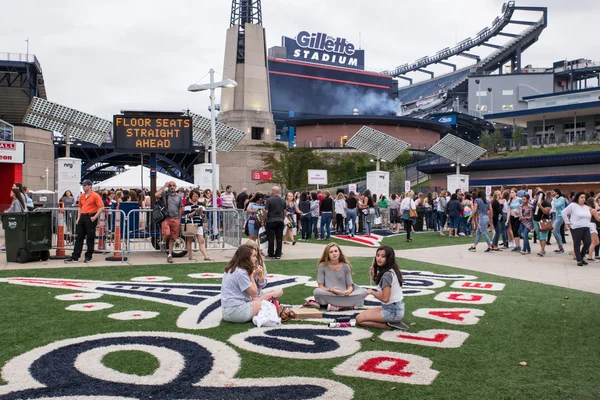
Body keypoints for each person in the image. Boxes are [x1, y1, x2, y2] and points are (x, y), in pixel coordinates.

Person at [220, 244, 283, 324]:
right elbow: (254, 293)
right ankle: (275, 307)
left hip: (227, 310)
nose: (255, 259)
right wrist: (251, 275)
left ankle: (273, 304)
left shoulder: (232, 268)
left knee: (271, 296)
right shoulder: (241, 272)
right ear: (246, 257)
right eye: (253, 256)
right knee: (266, 305)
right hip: (236, 312)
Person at [356, 246, 408, 330]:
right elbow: (384, 287)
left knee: (359, 319)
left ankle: (389, 325)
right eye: (378, 255)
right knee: (363, 314)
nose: (379, 258)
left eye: (383, 256)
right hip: (393, 308)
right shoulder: (392, 270)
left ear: (388, 258)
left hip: (393, 310)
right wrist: (374, 277)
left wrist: (372, 292)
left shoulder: (386, 275)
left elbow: (385, 298)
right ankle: (392, 321)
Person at [313, 243, 367, 310]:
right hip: (330, 293)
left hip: (345, 295)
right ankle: (346, 305)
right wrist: (331, 290)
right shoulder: (322, 267)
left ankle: (336, 306)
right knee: (317, 292)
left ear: (339, 253)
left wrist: (348, 291)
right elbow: (320, 286)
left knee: (363, 292)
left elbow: (350, 285)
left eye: (336, 251)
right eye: (331, 252)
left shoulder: (346, 266)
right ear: (327, 255)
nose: (334, 253)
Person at [64, 180, 105, 264]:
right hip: (83, 216)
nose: (83, 186)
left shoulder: (95, 195)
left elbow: (101, 207)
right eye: (83, 185)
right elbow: (80, 207)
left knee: (90, 237)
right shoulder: (82, 196)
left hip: (90, 216)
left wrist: (94, 217)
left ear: (90, 186)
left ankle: (88, 256)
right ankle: (75, 257)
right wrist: (78, 218)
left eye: (85, 185)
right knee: (79, 237)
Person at [155, 181, 183, 264]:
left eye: (173, 185)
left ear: (176, 186)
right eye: (170, 185)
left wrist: (179, 219)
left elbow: (180, 208)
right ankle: (163, 242)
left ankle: (170, 255)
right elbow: (156, 195)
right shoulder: (165, 195)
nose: (172, 187)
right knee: (166, 233)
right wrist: (164, 186)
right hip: (166, 218)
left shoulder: (179, 197)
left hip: (175, 219)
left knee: (172, 238)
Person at [562, 192, 592, 266]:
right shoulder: (573, 205)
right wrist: (567, 222)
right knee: (577, 243)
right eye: (581, 197)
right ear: (577, 198)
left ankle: (581, 256)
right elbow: (564, 212)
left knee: (588, 242)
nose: (583, 199)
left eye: (584, 197)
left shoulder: (586, 207)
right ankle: (579, 259)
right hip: (576, 227)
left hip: (586, 227)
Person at [183, 189, 213, 262]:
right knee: (189, 240)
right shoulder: (187, 205)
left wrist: (201, 213)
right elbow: (187, 215)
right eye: (194, 196)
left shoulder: (201, 205)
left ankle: (206, 256)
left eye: (197, 196)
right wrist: (195, 211)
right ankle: (190, 256)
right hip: (191, 224)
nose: (196, 197)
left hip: (199, 224)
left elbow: (203, 216)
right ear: (191, 196)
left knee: (201, 240)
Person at [264, 186, 286, 259]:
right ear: (279, 191)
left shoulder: (269, 200)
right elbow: (284, 211)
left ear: (272, 191)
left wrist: (264, 219)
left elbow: (266, 211)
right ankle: (278, 254)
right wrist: (283, 218)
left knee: (271, 238)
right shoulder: (283, 200)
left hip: (271, 220)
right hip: (280, 220)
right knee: (279, 238)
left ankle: (271, 254)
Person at [532, 191, 551, 257]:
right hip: (535, 221)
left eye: (537, 195)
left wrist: (540, 206)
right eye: (535, 195)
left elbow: (546, 212)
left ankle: (542, 250)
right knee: (539, 236)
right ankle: (542, 249)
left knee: (543, 236)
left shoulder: (546, 203)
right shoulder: (535, 202)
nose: (536, 197)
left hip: (543, 221)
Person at [551, 188, 567, 254]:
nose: (552, 193)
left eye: (553, 192)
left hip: (560, 216)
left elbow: (557, 206)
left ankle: (560, 246)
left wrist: (554, 199)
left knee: (554, 231)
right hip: (555, 215)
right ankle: (560, 247)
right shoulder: (556, 199)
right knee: (557, 231)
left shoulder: (561, 198)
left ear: (557, 192)